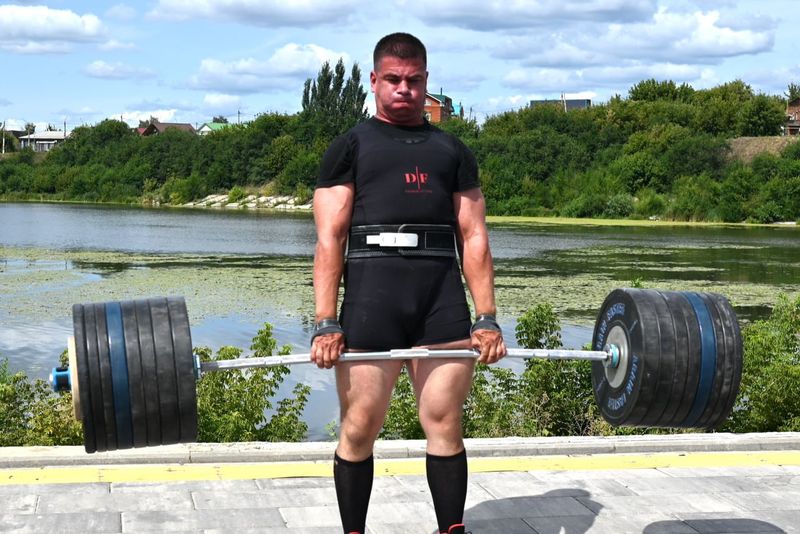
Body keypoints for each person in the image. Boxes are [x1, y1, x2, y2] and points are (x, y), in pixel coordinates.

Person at [310, 32, 506, 534]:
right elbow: (330, 238)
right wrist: (326, 322)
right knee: (359, 427)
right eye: (394, 79)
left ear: (426, 81)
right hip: (371, 302)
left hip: (440, 302)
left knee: (445, 423)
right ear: (374, 80)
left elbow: (474, 236)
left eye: (414, 80)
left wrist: (486, 318)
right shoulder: (350, 147)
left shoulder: (452, 151)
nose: (404, 89)